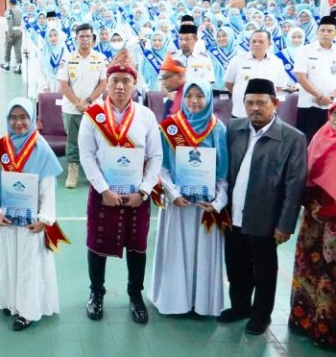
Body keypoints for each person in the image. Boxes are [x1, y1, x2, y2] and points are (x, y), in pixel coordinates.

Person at [78, 48, 163, 324]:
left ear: (134, 85)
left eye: (126, 81)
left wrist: (144, 191)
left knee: (137, 246)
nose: (120, 86)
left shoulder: (146, 116)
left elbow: (156, 156)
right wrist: (104, 190)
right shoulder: (93, 115)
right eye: (114, 80)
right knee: (97, 242)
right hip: (104, 193)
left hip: (137, 195)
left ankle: (135, 296)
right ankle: (96, 293)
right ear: (107, 82)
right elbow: (87, 156)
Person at [220, 78, 307, 335]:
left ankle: (261, 315)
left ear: (275, 104)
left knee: (264, 271)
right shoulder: (234, 128)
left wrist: (285, 224)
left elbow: (295, 186)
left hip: (266, 219)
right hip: (233, 214)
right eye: (249, 103)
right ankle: (240, 307)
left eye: (261, 103)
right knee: (236, 266)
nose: (254, 108)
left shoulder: (292, 138)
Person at [0, 97, 63, 331]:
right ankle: (10, 302)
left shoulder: (42, 149)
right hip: (7, 221)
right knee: (7, 260)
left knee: (29, 264)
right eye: (13, 118)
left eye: (23, 117)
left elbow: (48, 189)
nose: (18, 123)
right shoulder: (0, 148)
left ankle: (27, 311)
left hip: (31, 223)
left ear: (33, 120)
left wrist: (44, 219)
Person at [149, 79, 229, 316]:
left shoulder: (218, 129)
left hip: (206, 206)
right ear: (181, 99)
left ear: (208, 99)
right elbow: (161, 167)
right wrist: (172, 193)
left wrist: (217, 202)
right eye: (189, 96)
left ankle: (202, 303)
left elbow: (223, 172)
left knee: (204, 255)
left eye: (199, 96)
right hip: (178, 203)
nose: (194, 101)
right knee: (175, 251)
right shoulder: (169, 127)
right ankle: (174, 301)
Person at [289, 102, 336, 349]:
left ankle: (326, 330)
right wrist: (312, 205)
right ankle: (305, 320)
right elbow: (305, 175)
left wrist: (328, 211)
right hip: (314, 221)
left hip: (332, 224)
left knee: (330, 277)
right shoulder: (322, 135)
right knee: (310, 269)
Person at [57, 24, 107, 189]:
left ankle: (96, 173)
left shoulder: (100, 58)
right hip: (72, 109)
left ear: (93, 39)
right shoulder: (68, 58)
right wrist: (78, 103)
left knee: (96, 141)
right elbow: (63, 85)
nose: (85, 39)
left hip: (94, 109)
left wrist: (88, 101)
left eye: (88, 36)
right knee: (73, 142)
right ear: (76, 38)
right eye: (82, 36)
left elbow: (103, 83)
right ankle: (73, 173)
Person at [225, 30, 287, 118]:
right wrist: (241, 95)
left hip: (267, 114)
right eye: (253, 41)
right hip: (241, 112)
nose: (256, 44)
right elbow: (228, 83)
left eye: (261, 41)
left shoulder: (277, 62)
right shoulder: (237, 60)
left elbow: (278, 87)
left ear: (269, 44)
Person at [294, 14, 336, 142]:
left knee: (329, 144)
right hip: (309, 105)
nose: (325, 34)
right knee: (306, 143)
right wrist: (319, 96)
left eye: (329, 31)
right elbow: (301, 76)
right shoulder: (305, 50)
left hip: (332, 107)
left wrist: (332, 97)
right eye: (322, 30)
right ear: (317, 32)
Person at [158, 54, 187, 119]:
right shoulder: (172, 100)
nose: (164, 83)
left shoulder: (189, 97)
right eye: (162, 79)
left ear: (180, 75)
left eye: (166, 77)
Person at [0, 0, 23, 74]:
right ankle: (19, 65)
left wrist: (9, 35)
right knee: (18, 49)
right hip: (19, 31)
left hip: (11, 31)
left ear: (10, 3)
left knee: (7, 48)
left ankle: (7, 64)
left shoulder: (9, 11)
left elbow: (10, 23)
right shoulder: (20, 11)